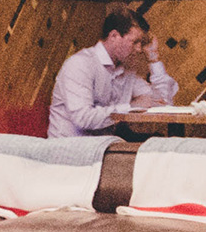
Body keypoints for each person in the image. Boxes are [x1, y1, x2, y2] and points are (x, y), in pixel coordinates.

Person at [47, 9, 178, 138]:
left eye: (141, 43)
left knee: (161, 144)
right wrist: (131, 107)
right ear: (114, 36)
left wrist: (153, 57)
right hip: (71, 146)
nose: (139, 49)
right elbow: (83, 118)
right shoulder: (81, 64)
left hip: (104, 144)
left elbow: (163, 103)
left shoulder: (126, 69)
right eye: (135, 42)